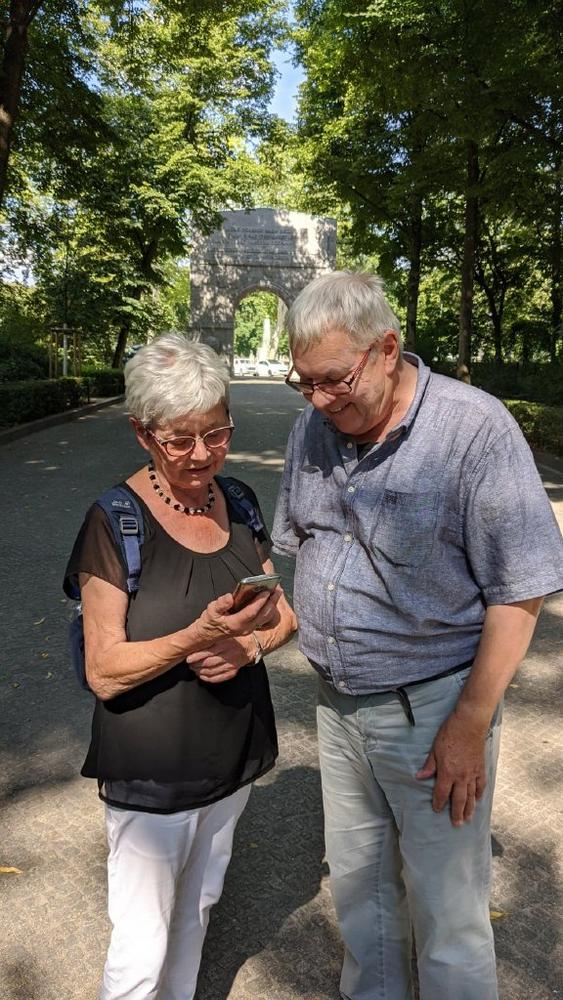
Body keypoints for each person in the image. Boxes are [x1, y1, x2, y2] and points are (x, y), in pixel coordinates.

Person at [272, 271, 563, 1000]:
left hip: (434, 713)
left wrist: (469, 723)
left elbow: (519, 590)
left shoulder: (473, 429)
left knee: (447, 912)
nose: (319, 400)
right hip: (337, 707)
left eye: (334, 380)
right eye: (304, 382)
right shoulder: (313, 425)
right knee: (361, 894)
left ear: (386, 348)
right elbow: (302, 543)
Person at [64, 334, 296, 1000]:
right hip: (152, 772)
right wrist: (197, 634)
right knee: (141, 945)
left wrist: (250, 646)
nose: (201, 454)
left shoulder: (240, 501)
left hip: (231, 755)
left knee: (196, 912)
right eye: (180, 440)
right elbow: (104, 670)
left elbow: (284, 615)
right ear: (143, 434)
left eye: (216, 433)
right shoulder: (114, 522)